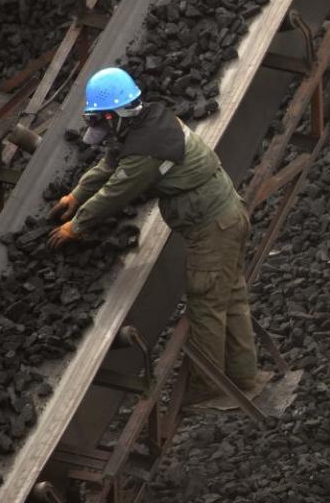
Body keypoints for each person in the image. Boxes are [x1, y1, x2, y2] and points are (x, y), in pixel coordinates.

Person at [47, 67, 258, 403]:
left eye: (101, 122)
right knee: (230, 297)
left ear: (115, 116)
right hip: (225, 217)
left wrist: (77, 225)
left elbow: (117, 190)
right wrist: (75, 195)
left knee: (207, 304)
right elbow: (108, 165)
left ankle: (206, 392)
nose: (100, 131)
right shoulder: (149, 121)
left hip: (214, 227)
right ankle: (246, 379)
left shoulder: (147, 150)